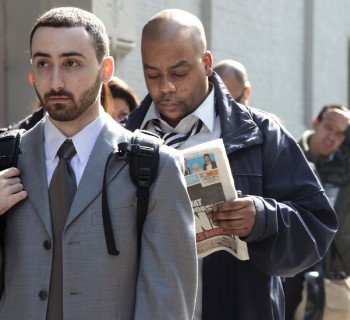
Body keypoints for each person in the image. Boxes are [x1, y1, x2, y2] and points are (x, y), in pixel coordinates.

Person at [125, 8, 337, 320]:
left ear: (207, 64)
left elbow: (317, 229)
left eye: (179, 73)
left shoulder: (262, 135)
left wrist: (263, 219)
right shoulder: (122, 139)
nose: (166, 87)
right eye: (153, 75)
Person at [0, 7, 197, 319]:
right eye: (43, 63)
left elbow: (166, 299)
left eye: (71, 63)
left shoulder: (155, 167)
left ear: (106, 69)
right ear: (30, 72)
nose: (55, 80)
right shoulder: (5, 157)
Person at [284, 104, 350, 319]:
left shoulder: (344, 171)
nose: (332, 137)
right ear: (315, 123)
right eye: (329, 127)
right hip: (287, 264)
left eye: (340, 134)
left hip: (330, 271)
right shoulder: (287, 154)